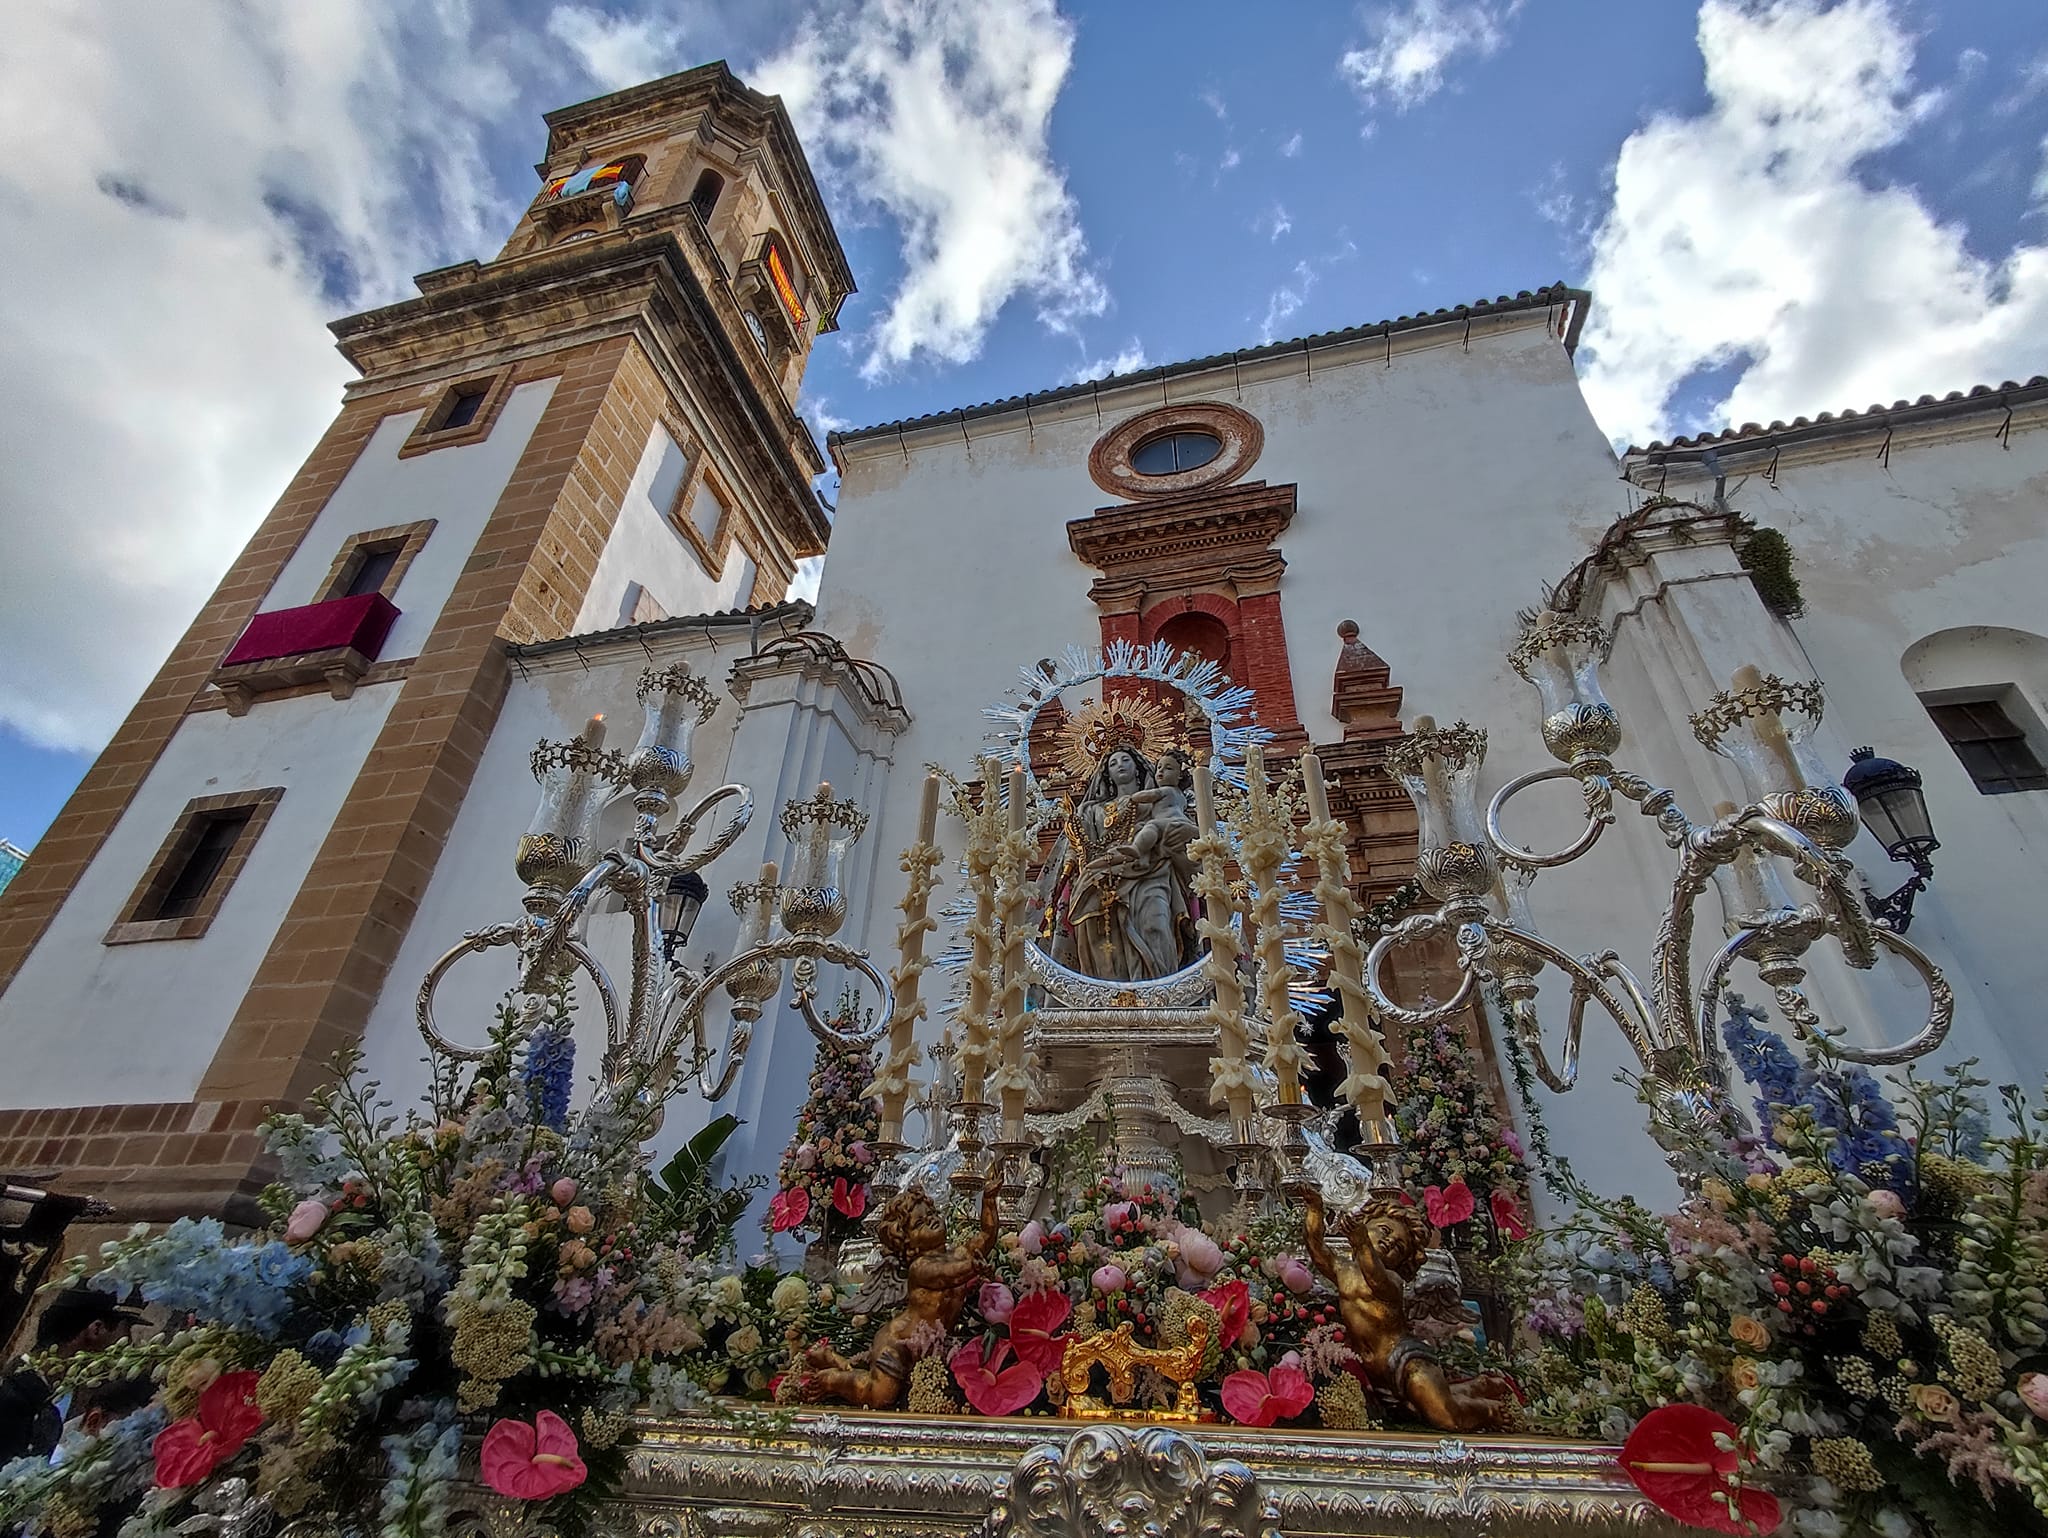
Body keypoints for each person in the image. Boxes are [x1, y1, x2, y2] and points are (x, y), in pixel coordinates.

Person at [0, 1287, 144, 1465]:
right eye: (126, 1330)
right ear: (96, 1329)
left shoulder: (56, 1397)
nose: (129, 1344)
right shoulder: (12, 1393)